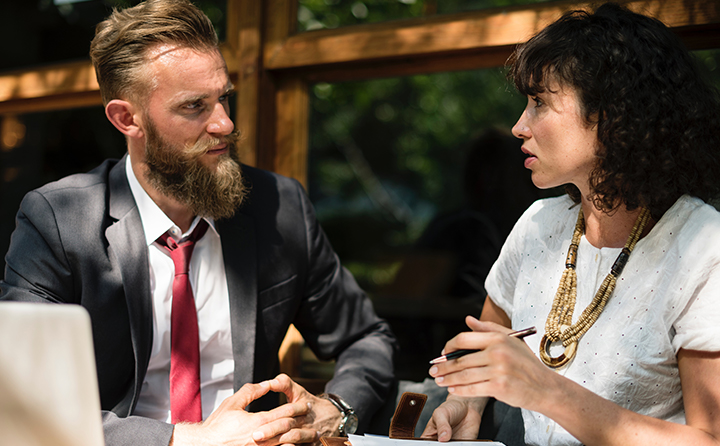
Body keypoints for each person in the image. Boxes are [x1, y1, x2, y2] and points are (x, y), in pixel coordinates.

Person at [0, 1, 396, 445]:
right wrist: (185, 439)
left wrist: (338, 409)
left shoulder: (279, 206)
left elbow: (367, 339)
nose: (225, 123)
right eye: (194, 106)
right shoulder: (58, 221)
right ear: (127, 119)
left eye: (223, 97)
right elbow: (25, 400)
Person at [422, 3, 720, 446]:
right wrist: (467, 401)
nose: (518, 126)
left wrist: (547, 390)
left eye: (540, 102)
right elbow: (487, 344)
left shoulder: (704, 246)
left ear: (617, 114)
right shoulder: (539, 224)